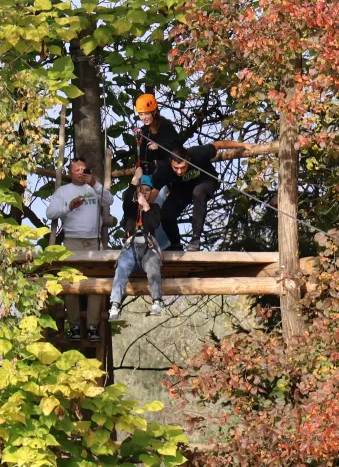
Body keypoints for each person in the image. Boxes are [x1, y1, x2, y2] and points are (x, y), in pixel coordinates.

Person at [47, 157, 115, 341]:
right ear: (70, 173)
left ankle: (92, 327)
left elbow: (110, 201)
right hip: (72, 241)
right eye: (76, 170)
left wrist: (95, 184)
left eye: (83, 170)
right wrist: (69, 207)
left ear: (89, 172)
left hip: (93, 241)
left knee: (95, 285)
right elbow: (50, 213)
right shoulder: (63, 191)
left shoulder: (94, 188)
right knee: (71, 284)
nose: (80, 173)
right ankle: (75, 326)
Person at [149, 141, 239, 251]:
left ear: (189, 160)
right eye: (175, 168)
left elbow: (220, 144)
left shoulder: (197, 153)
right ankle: (176, 244)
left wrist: (245, 145)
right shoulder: (163, 170)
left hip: (206, 180)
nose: (179, 171)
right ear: (170, 162)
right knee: (166, 214)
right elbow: (154, 193)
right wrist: (144, 209)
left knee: (198, 192)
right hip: (183, 187)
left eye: (183, 167)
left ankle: (196, 238)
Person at [109, 176, 170, 319]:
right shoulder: (130, 208)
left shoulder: (154, 208)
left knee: (153, 267)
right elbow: (126, 199)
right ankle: (115, 304)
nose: (144, 192)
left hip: (148, 247)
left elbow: (154, 223)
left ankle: (156, 301)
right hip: (131, 247)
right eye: (141, 190)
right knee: (122, 268)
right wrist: (135, 179)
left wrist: (146, 206)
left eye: (147, 190)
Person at [132, 93, 184, 182]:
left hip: (163, 174)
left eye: (146, 114)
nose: (143, 118)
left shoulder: (165, 126)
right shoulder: (143, 131)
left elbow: (177, 148)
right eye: (141, 114)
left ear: (154, 112)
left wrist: (159, 147)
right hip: (145, 176)